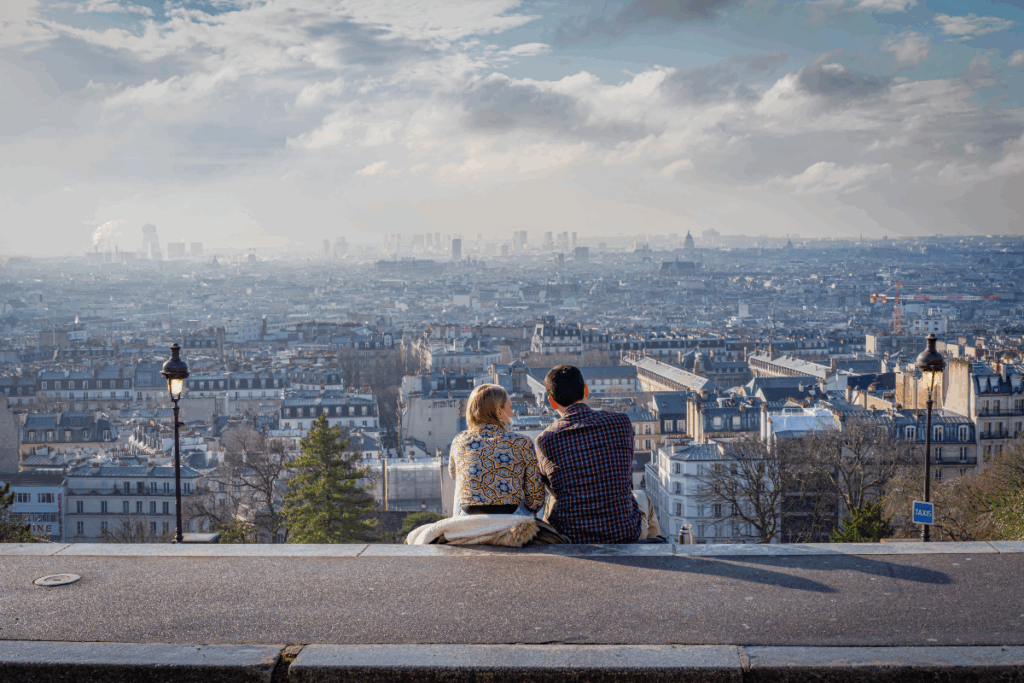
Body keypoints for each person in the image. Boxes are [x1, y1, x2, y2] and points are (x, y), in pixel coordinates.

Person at [534, 365, 658, 543]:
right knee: (643, 498)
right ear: (586, 391)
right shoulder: (621, 423)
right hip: (623, 531)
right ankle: (655, 553)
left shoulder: (545, 440)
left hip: (571, 537)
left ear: (552, 402)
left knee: (552, 501)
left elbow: (553, 488)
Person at [448, 383, 545, 517]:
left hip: (469, 513)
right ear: (499, 412)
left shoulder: (459, 441)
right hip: (511, 513)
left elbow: (453, 474)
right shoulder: (522, 442)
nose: (511, 414)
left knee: (462, 481)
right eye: (509, 408)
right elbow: (535, 500)